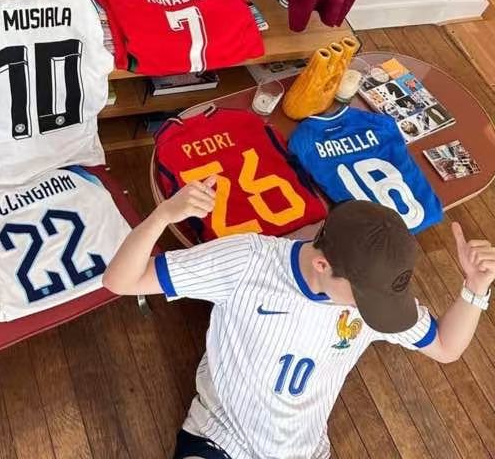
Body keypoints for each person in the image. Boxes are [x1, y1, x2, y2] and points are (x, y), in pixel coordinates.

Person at [103, 178, 495, 459]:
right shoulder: (246, 262)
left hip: (303, 451)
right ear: (322, 265)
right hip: (221, 434)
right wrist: (162, 215)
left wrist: (475, 289)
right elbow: (121, 280)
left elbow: (445, 347)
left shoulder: (379, 302)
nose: (371, 311)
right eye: (363, 299)